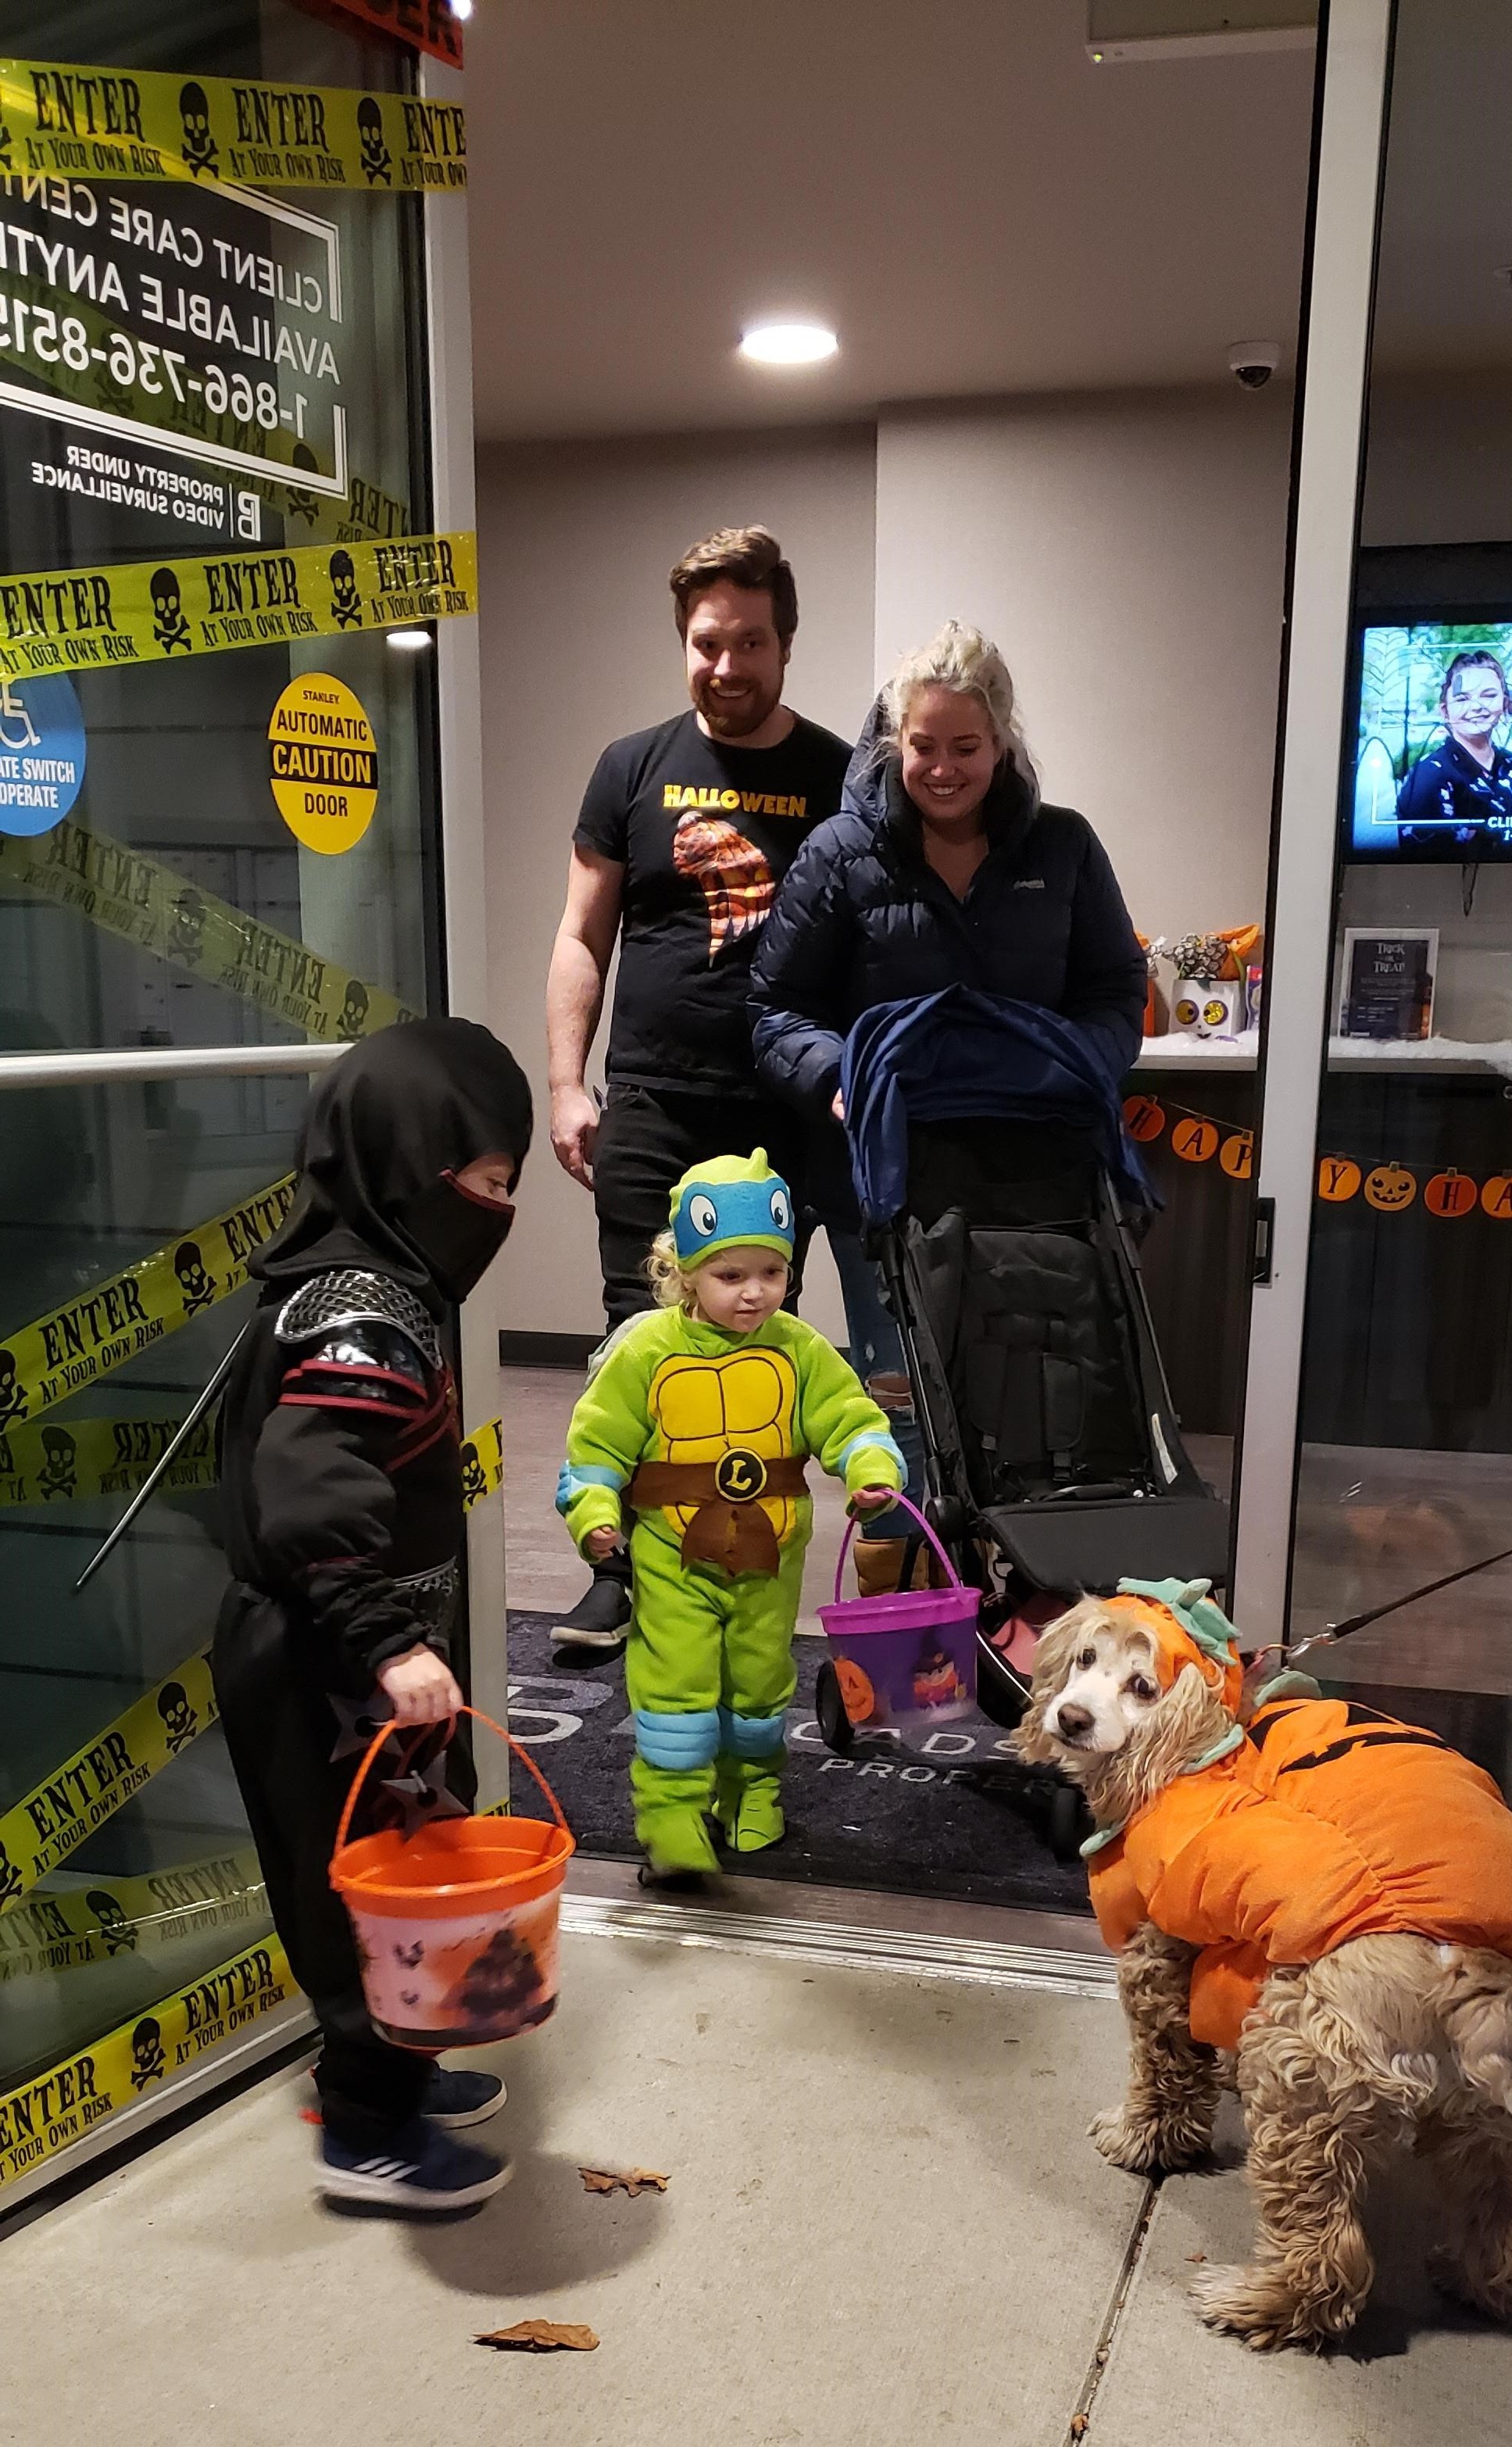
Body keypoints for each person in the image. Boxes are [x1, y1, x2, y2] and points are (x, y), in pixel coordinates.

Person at [749, 621, 1146, 1591]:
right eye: (922, 745)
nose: (941, 768)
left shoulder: (1064, 847)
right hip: (885, 1180)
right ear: (895, 740)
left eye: (965, 746)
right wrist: (840, 1077)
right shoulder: (841, 853)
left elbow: (1114, 991)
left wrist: (1077, 1064)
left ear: (1002, 742)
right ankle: (906, 1609)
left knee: (1029, 1390)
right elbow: (773, 1008)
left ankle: (1025, 1599)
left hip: (1035, 1178)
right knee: (902, 1404)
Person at [213, 1018, 533, 2213]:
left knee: (392, 1853)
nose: (499, 1212)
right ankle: (366, 2125)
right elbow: (310, 1491)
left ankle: (394, 2064)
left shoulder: (338, 1281)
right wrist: (389, 1641)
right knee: (361, 1878)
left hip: (338, 1651)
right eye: (484, 1183)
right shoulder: (364, 1315)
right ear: (409, 1169)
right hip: (333, 1659)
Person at [545, 525, 853, 1651]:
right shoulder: (629, 767)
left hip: (781, 1115)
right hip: (652, 1101)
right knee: (635, 1344)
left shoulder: (838, 775)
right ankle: (617, 1569)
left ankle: (729, 1567)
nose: (726, 665)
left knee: (752, 1348)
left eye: (750, 642)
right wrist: (565, 1082)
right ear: (683, 639)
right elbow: (581, 936)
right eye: (706, 642)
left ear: (785, 643)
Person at [556, 1150, 903, 1880]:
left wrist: (870, 1468)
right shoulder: (645, 1350)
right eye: (729, 1275)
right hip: (672, 1556)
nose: (753, 1293)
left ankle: (752, 1793)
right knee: (674, 1686)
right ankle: (673, 1821)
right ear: (685, 1273)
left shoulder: (799, 1349)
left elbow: (851, 1418)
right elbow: (597, 1444)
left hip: (768, 1558)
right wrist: (592, 1509)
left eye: (771, 1273)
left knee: (758, 1685)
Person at [1394, 648, 1512, 846]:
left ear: (1505, 703)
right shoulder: (1428, 776)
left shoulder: (1508, 762)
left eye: (1489, 695)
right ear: (1445, 711)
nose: (1477, 707)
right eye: (1462, 699)